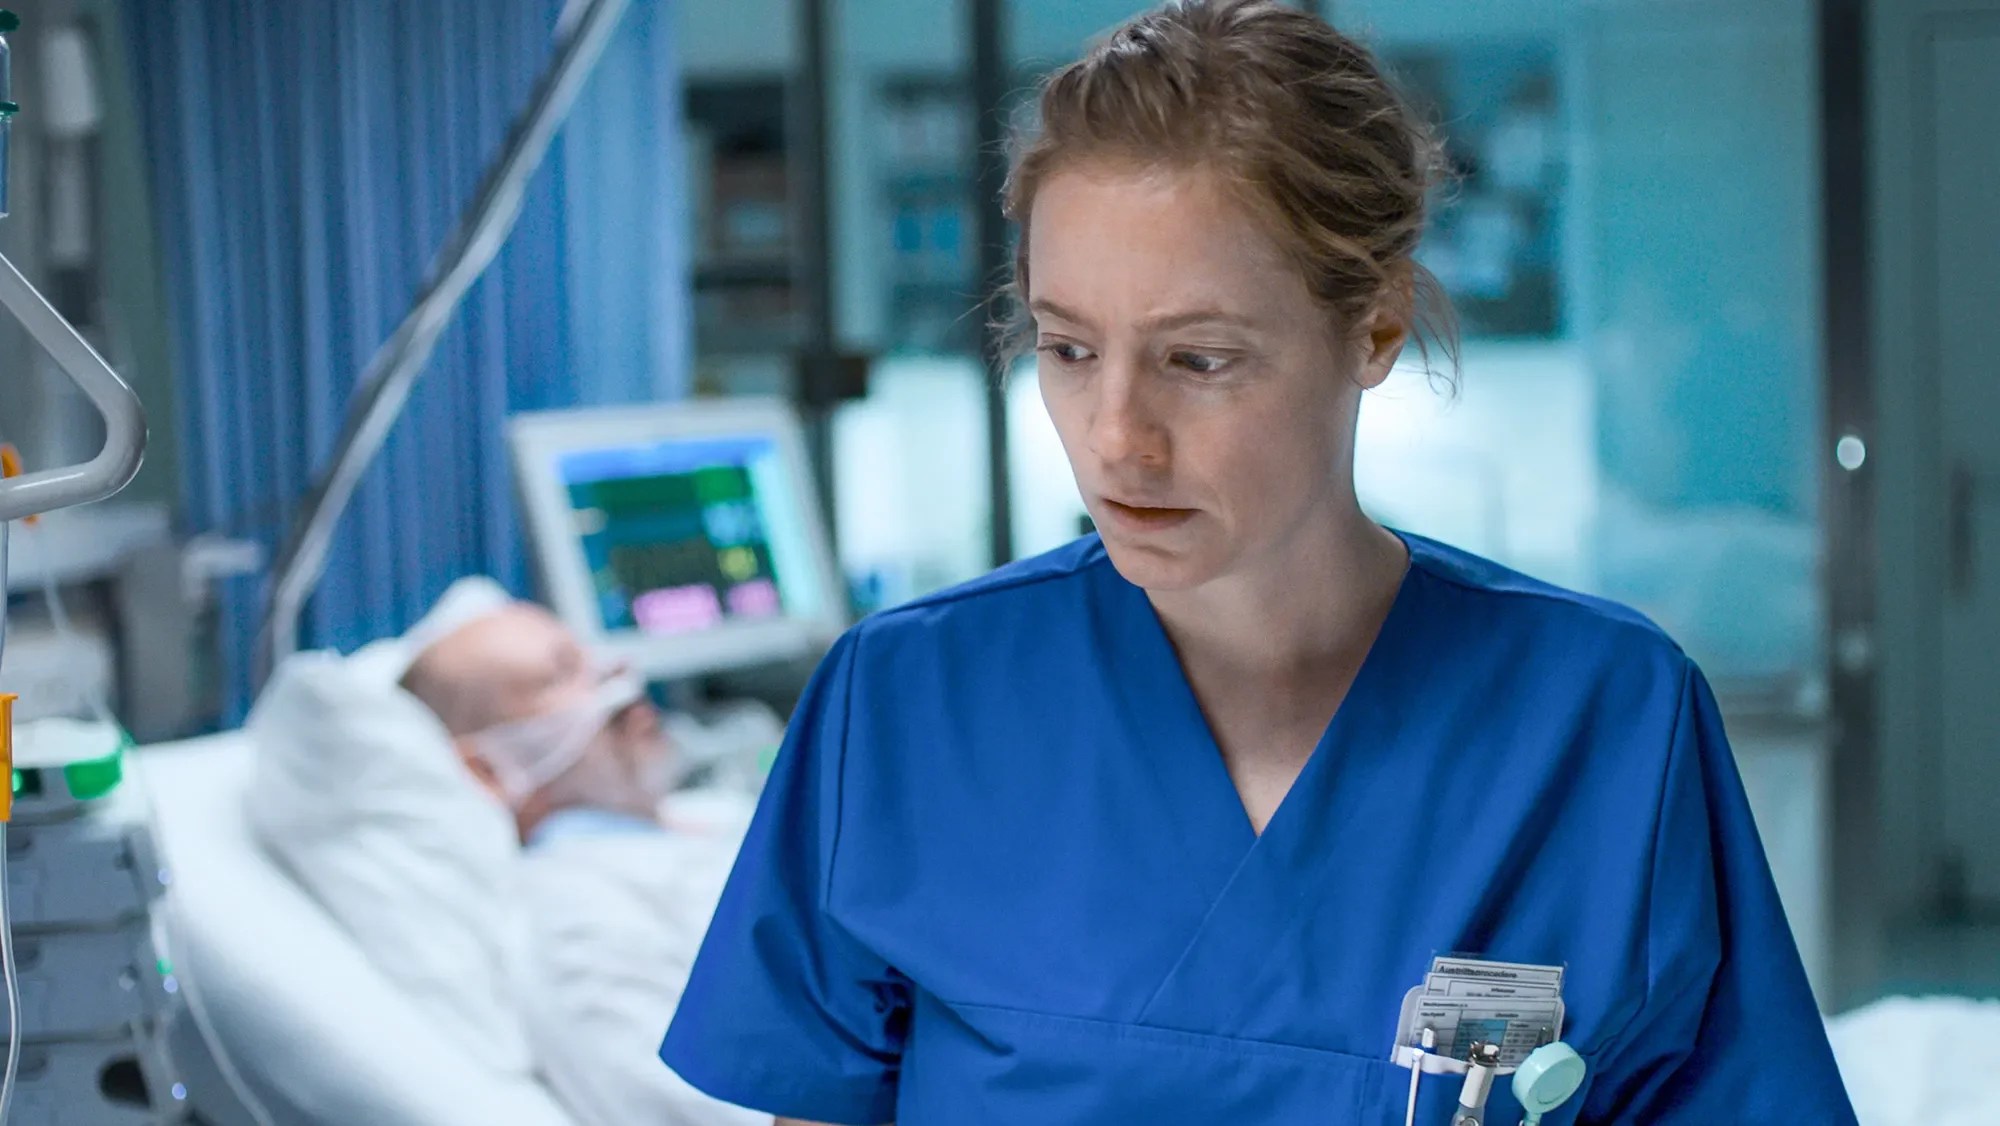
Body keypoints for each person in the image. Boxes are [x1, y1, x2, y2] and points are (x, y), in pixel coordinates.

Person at [659, 2, 1856, 1123]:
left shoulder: (1605, 717)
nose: (1116, 437)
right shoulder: (905, 706)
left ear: (1372, 328)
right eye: (1068, 349)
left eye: (1199, 360)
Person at [400, 598, 768, 1126]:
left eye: (589, 657)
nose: (618, 677)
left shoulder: (695, 824)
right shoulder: (574, 916)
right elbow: (689, 1107)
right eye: (561, 674)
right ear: (486, 769)